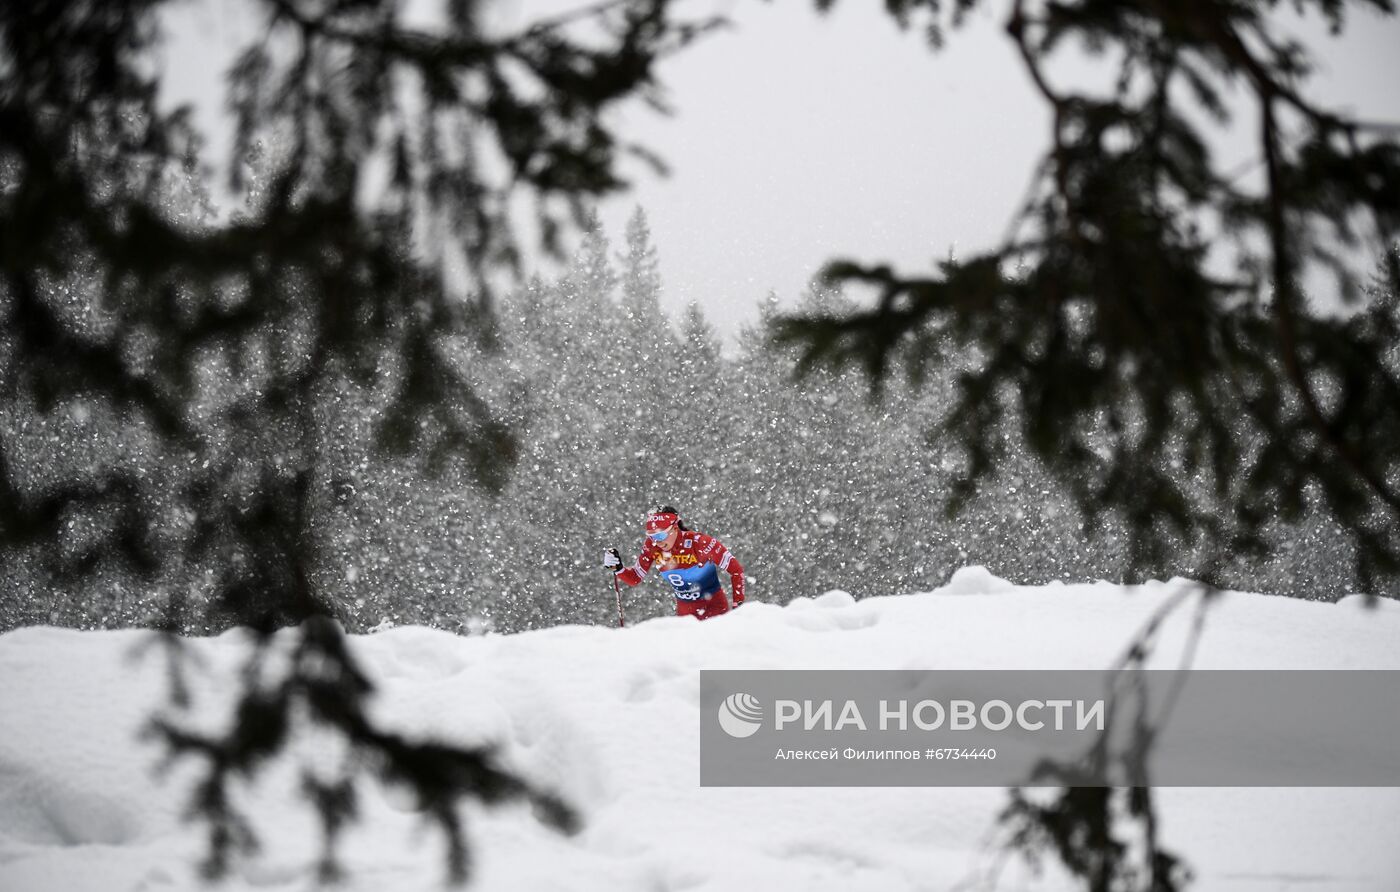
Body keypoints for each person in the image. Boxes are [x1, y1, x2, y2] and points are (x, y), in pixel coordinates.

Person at [603, 506, 745, 620]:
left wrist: (738, 607)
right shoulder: (652, 546)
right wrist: (618, 568)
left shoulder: (699, 542)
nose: (657, 541)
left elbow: (736, 570)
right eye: (651, 537)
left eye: (660, 535)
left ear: (675, 528)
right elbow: (635, 578)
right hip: (685, 616)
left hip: (714, 610)